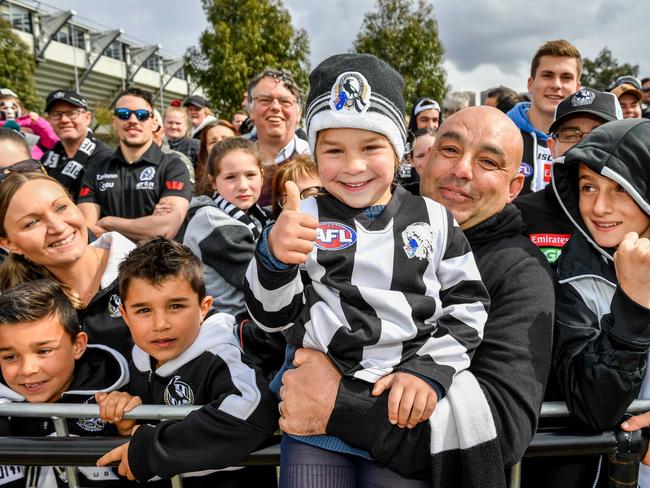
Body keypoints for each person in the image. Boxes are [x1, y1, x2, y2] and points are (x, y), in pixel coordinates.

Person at [244, 53, 490, 488]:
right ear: (313, 152)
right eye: (334, 150)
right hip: (314, 426)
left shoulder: (435, 218)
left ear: (399, 150)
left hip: (396, 418)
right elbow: (270, 318)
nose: (353, 166)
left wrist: (429, 371)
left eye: (371, 147)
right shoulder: (303, 217)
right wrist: (274, 258)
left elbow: (469, 306)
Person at [275, 106, 554, 487]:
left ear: (515, 187)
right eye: (450, 150)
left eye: (488, 161)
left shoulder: (522, 271)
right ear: (422, 158)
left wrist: (339, 405)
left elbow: (503, 429)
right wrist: (272, 261)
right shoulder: (336, 222)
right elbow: (272, 335)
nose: (462, 170)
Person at [96, 237, 277, 487]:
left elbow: (254, 410)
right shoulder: (138, 358)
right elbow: (142, 431)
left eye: (176, 306)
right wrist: (129, 422)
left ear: (204, 307)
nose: (161, 324)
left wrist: (152, 448)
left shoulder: (222, 354)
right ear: (125, 316)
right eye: (143, 310)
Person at [543, 118, 650, 487]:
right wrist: (634, 306)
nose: (600, 207)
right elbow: (594, 405)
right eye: (588, 187)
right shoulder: (570, 277)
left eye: (620, 189)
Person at [0, 279, 130, 487]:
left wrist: (128, 429)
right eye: (9, 357)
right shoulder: (3, 405)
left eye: (44, 351)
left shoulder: (116, 400)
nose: (27, 369)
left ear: (78, 345)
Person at [0, 172, 136, 356]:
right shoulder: (11, 307)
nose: (57, 227)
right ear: (8, 244)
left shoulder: (149, 270)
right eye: (32, 222)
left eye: (61, 207)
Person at [515, 88, 622, 266]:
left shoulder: (640, 213)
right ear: (551, 147)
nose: (585, 144)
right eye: (571, 135)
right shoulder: (520, 216)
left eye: (601, 132)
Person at [77, 87, 192, 241]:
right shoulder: (96, 168)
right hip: (109, 262)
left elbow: (165, 229)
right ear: (114, 122)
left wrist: (108, 222)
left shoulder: (174, 166)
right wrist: (146, 226)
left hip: (158, 264)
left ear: (153, 123)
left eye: (142, 115)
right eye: (124, 114)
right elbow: (87, 229)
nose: (133, 120)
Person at [183, 137, 272, 320]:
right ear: (213, 182)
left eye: (250, 175)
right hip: (229, 325)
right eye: (231, 177)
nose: (243, 186)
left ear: (262, 175)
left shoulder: (258, 215)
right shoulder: (211, 221)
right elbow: (262, 282)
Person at [507, 39, 581, 195]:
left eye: (566, 77)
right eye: (547, 75)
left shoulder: (589, 142)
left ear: (577, 88)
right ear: (530, 83)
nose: (556, 85)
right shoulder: (501, 133)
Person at [245, 68, 309, 206]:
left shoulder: (315, 161)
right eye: (265, 100)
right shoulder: (236, 163)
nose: (275, 107)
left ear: (298, 114)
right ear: (251, 110)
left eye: (285, 101)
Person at [41, 90, 113, 200]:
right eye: (56, 114)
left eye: (72, 113)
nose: (64, 120)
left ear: (87, 118)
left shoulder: (105, 158)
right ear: (49, 120)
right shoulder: (47, 159)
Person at [0, 88, 58, 160]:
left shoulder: (31, 123)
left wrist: (39, 123)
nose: (9, 111)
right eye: (4, 108)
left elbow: (52, 143)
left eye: (13, 108)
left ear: (20, 109)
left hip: (34, 164)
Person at [270, 154, 320, 219]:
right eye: (287, 200)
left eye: (309, 194)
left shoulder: (336, 221)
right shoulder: (273, 228)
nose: (298, 204)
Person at [400, 128, 436, 195]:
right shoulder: (401, 196)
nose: (427, 161)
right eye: (420, 156)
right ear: (411, 160)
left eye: (433, 153)